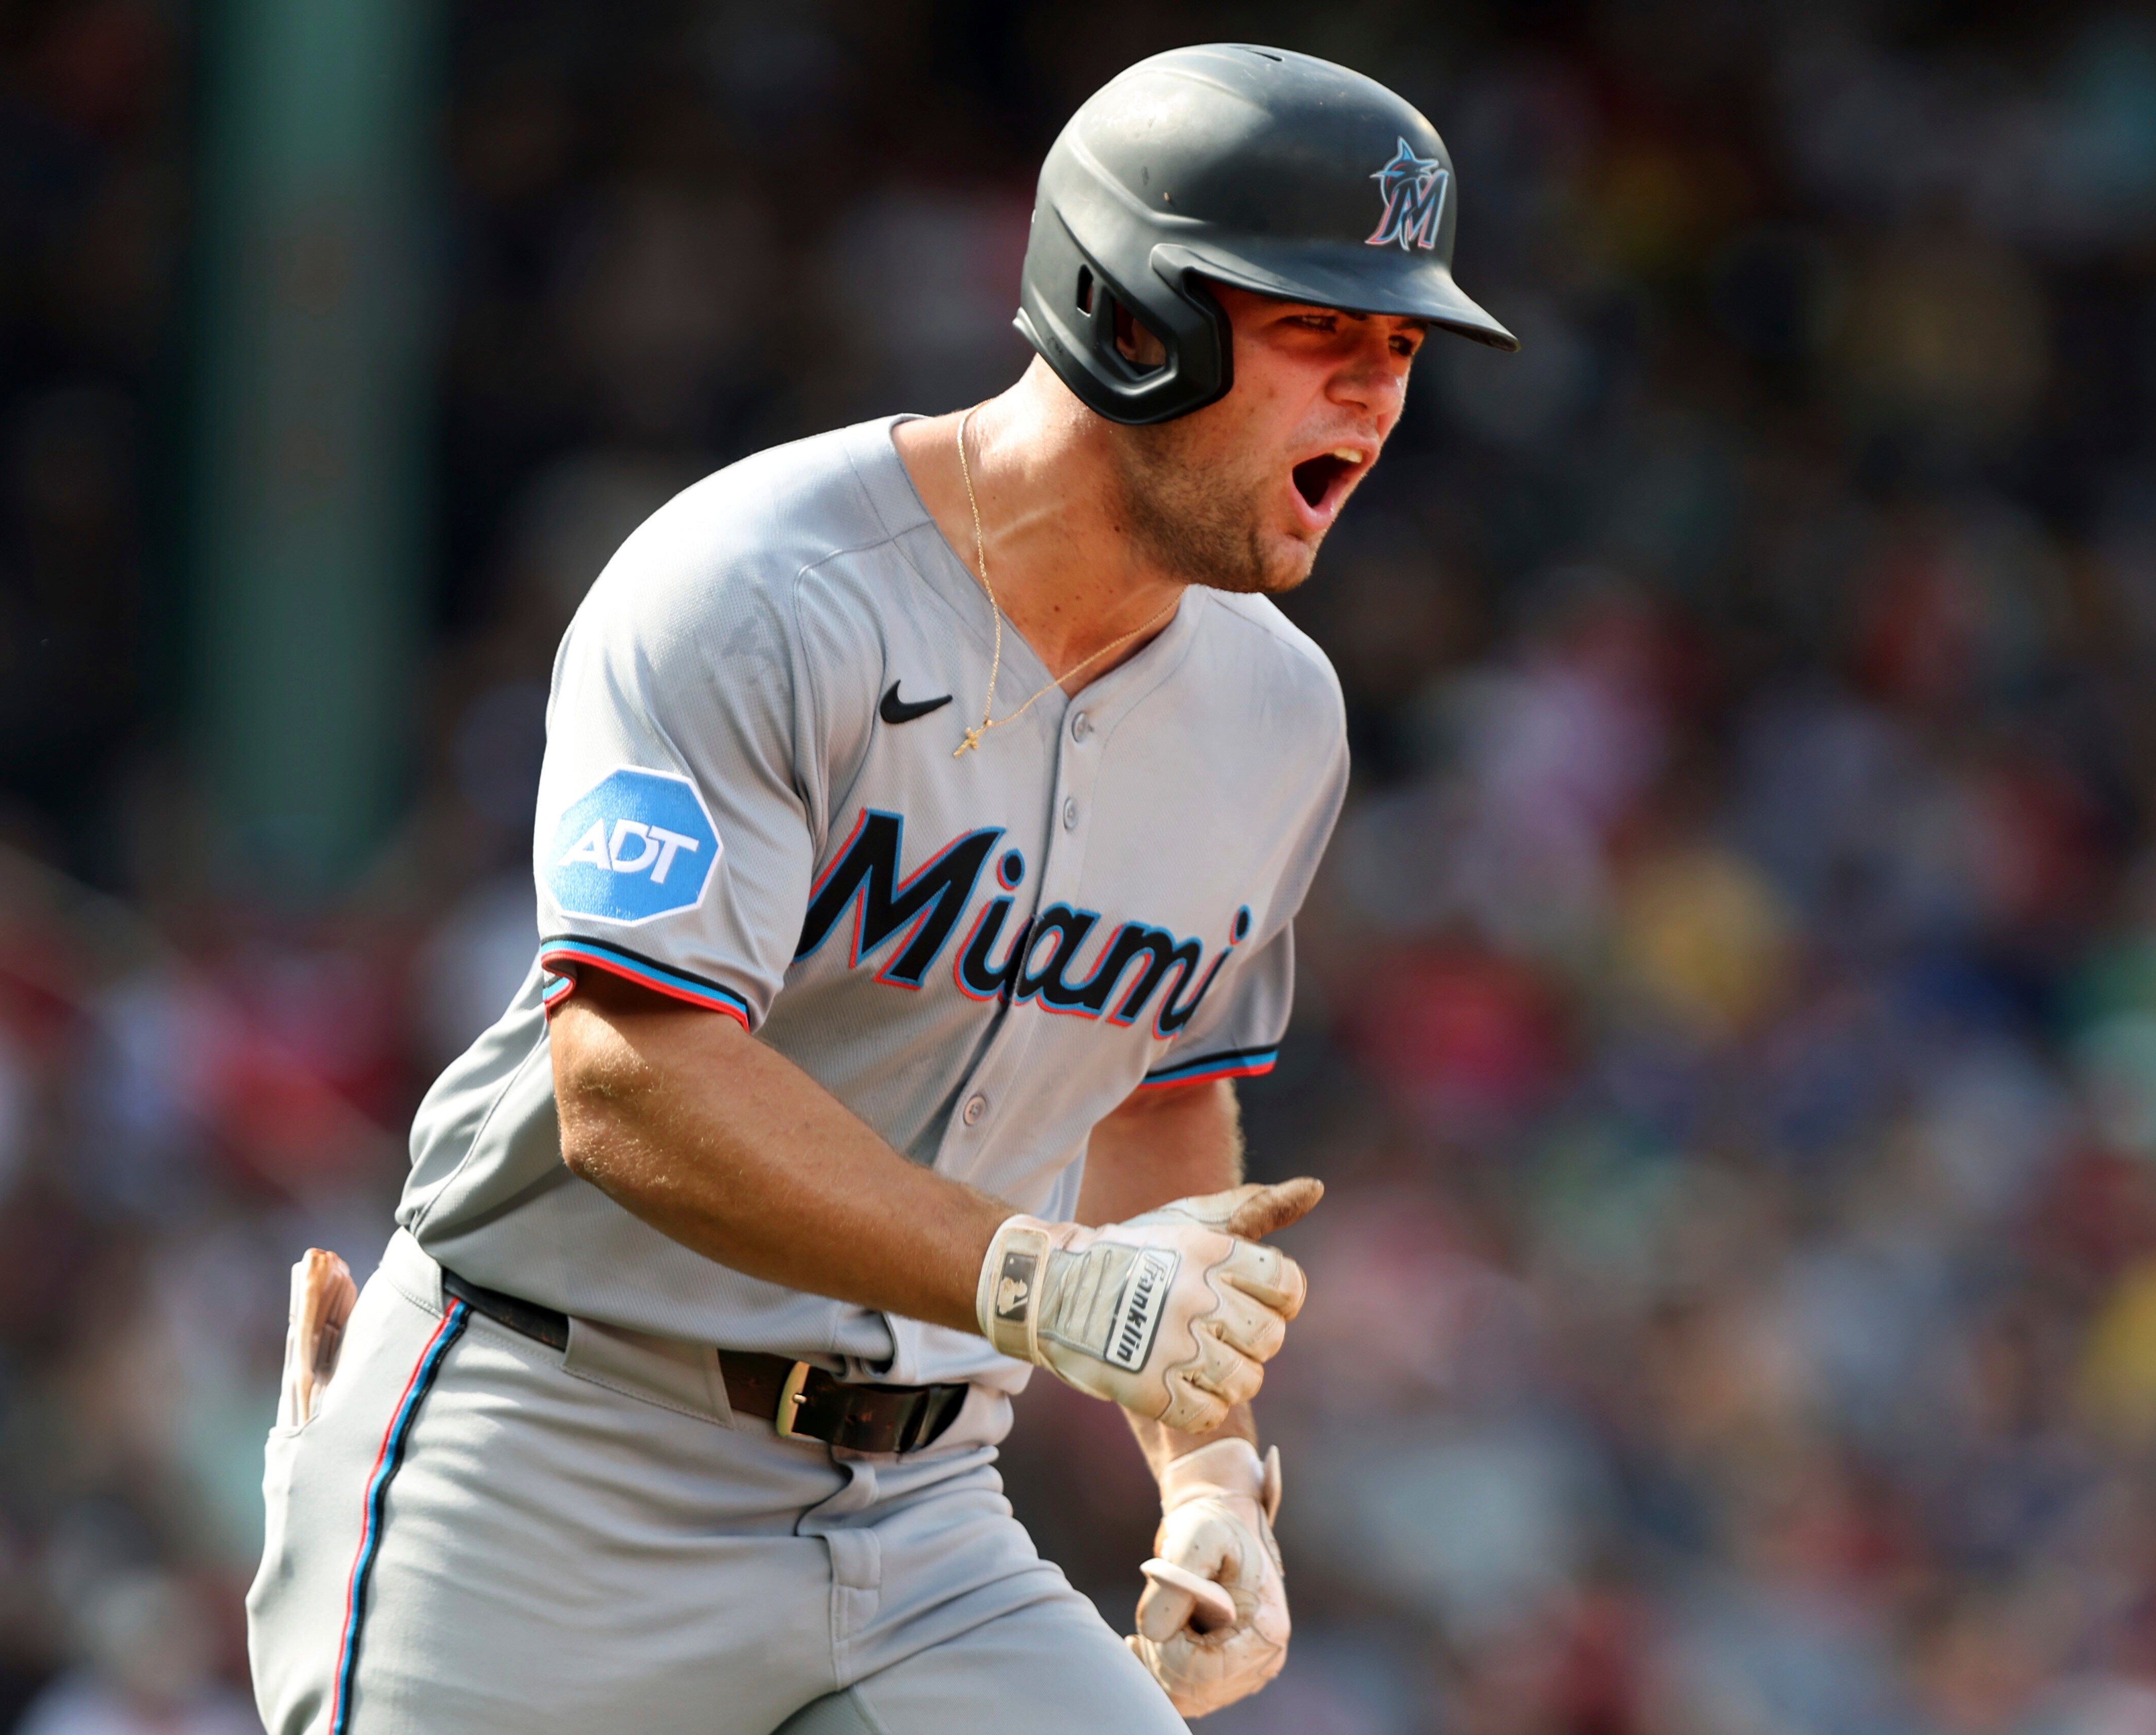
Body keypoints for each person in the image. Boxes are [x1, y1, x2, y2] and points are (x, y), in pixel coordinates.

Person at [245, 42, 1514, 1735]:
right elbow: (629, 1080)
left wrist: (1205, 1475)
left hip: (922, 1516)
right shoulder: (760, 587)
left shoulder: (1281, 715)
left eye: (1403, 346)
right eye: (1321, 334)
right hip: (556, 1452)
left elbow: (1156, 1103)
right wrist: (1037, 1280)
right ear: (1135, 319)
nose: (1377, 396)